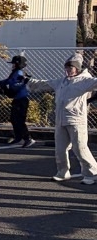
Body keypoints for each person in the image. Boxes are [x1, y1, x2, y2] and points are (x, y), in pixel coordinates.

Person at [27, 53, 97, 185]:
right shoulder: (62, 81)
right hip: (60, 119)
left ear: (77, 68)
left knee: (80, 148)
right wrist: (28, 81)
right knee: (60, 149)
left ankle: (92, 173)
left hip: (76, 120)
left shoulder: (85, 81)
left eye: (71, 68)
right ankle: (63, 172)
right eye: (66, 68)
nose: (68, 70)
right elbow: (44, 84)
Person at [0, 54, 35, 148]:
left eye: (14, 64)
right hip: (17, 99)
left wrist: (4, 86)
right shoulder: (16, 73)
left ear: (18, 64)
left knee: (19, 120)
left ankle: (28, 138)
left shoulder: (19, 73)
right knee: (14, 119)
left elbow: (13, 84)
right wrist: (0, 83)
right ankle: (18, 138)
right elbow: (8, 81)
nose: (12, 65)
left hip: (21, 99)